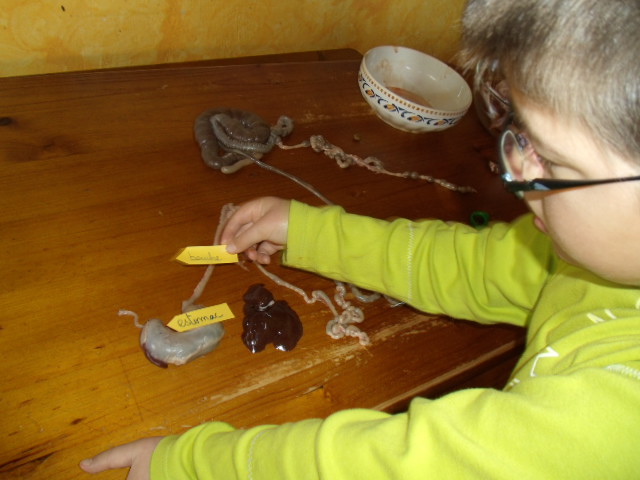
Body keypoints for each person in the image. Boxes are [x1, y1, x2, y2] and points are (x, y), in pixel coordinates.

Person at [80, 0, 640, 478]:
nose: (516, 179)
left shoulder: (610, 424)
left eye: (553, 164)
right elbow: (470, 266)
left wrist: (191, 465)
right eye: (519, 138)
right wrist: (308, 230)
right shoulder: (581, 256)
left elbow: (387, 465)